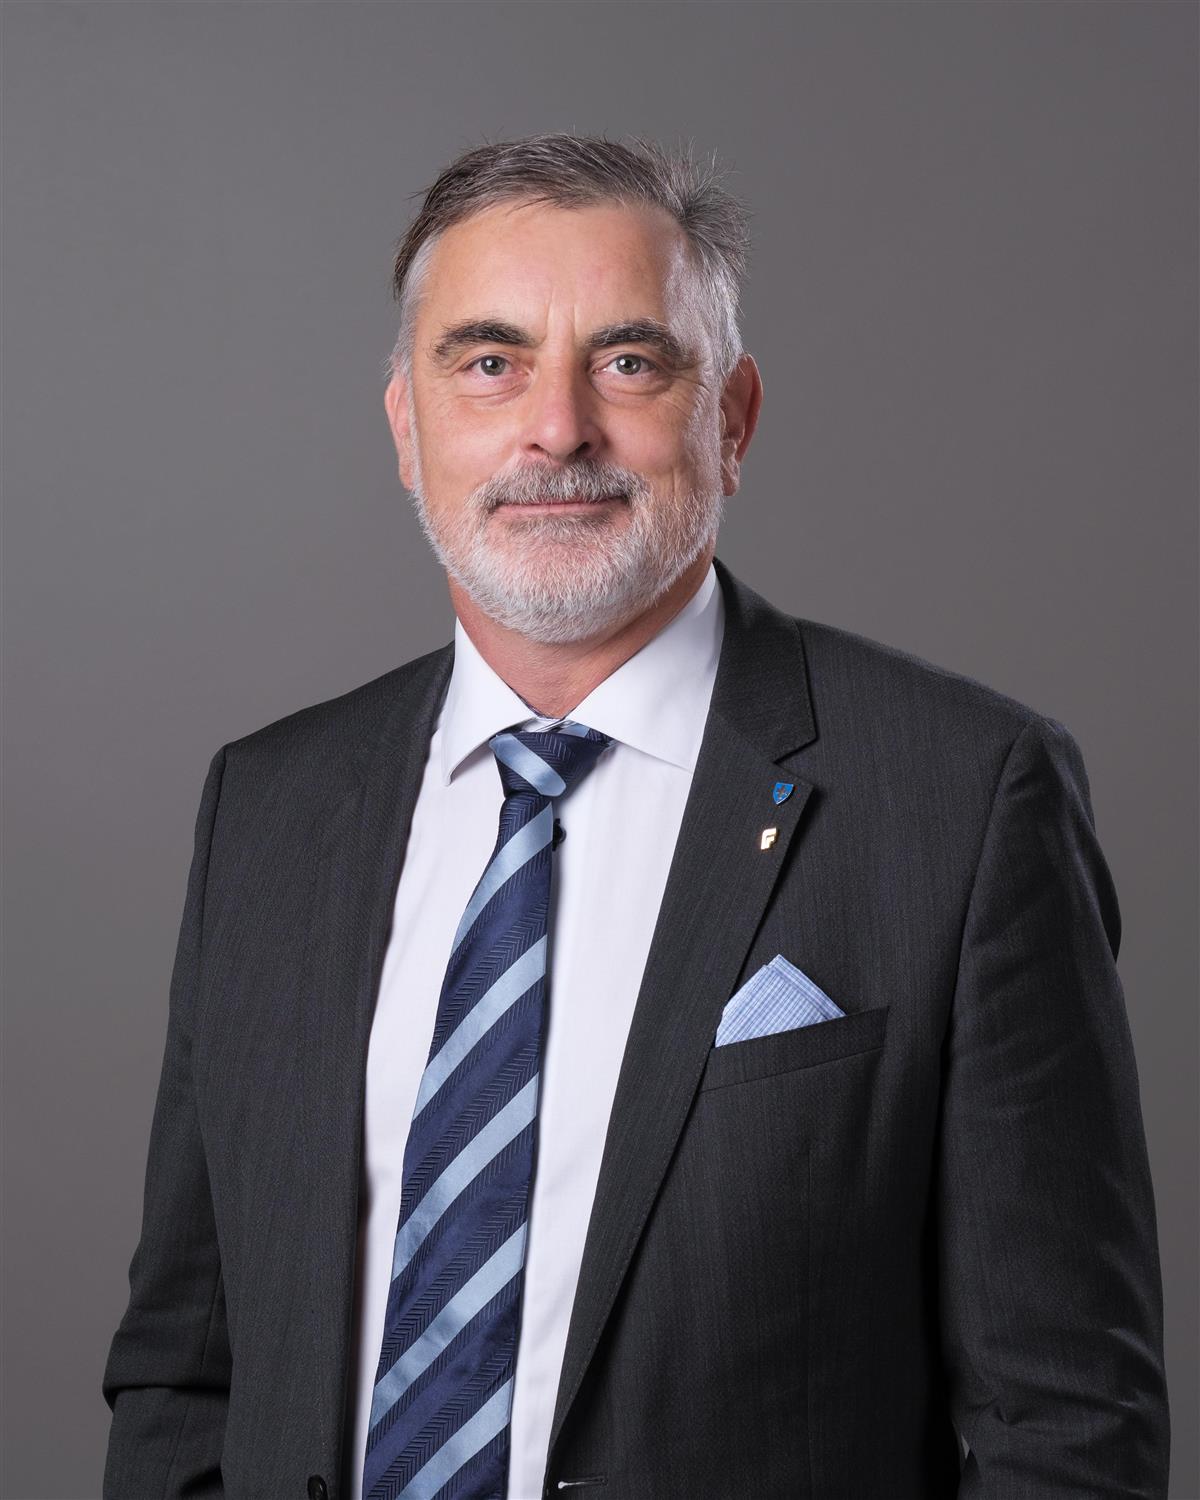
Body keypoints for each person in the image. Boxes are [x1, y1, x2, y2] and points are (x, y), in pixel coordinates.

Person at [101, 133, 1170, 1500]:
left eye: (626, 362)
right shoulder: (271, 809)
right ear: (408, 428)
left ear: (732, 420)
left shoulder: (963, 799)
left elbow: (1067, 1426)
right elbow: (184, 1372)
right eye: (490, 363)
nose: (557, 428)